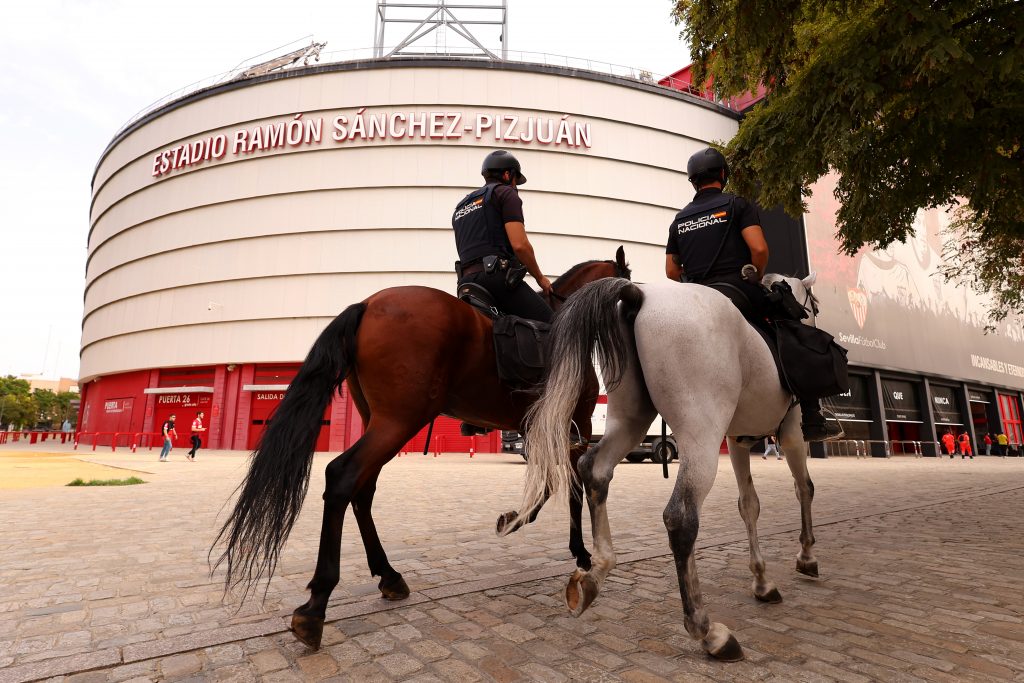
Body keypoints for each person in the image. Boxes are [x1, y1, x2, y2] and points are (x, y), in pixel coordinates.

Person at [665, 147, 840, 442]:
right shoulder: (737, 205)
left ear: (693, 181)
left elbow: (671, 271)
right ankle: (811, 416)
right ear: (723, 174)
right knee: (793, 323)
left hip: (697, 298)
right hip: (738, 290)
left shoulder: (679, 220)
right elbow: (759, 249)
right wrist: (756, 274)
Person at [452, 150, 553, 324]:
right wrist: (540, 278)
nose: (515, 187)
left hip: (466, 284)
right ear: (508, 175)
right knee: (553, 325)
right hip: (496, 280)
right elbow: (520, 246)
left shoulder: (461, 207)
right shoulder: (506, 194)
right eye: (516, 181)